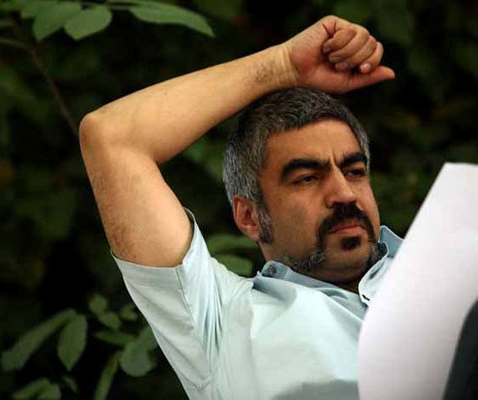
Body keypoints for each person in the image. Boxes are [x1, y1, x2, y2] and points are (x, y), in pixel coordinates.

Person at [79, 15, 400, 400]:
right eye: (307, 178)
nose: (344, 193)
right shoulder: (222, 320)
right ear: (250, 217)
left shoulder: (446, 260)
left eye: (354, 171)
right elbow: (112, 136)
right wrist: (282, 65)